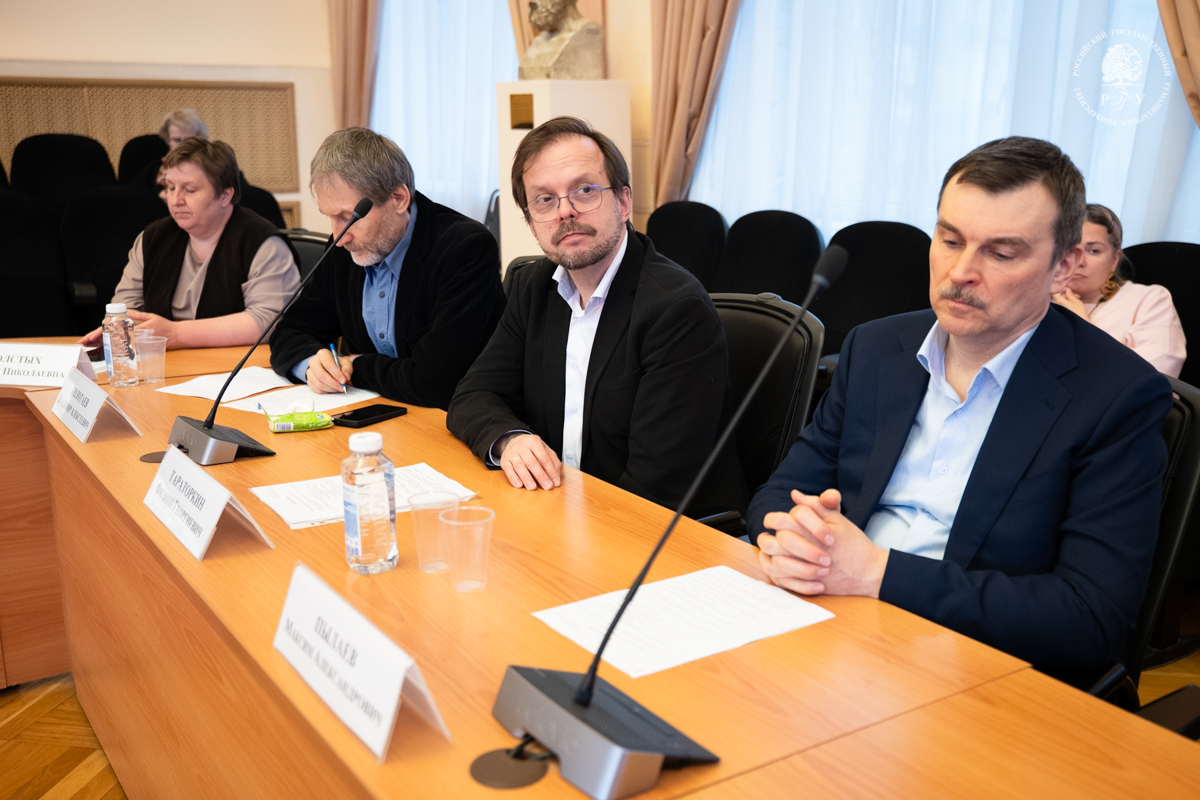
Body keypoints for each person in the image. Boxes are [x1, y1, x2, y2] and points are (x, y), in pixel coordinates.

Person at [748, 137, 1172, 676]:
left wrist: (876, 573)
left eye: (1001, 253)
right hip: (828, 621)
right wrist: (800, 541)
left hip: (973, 664)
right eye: (950, 240)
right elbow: (777, 495)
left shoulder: (1117, 395)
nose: (960, 272)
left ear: (1063, 267)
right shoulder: (875, 348)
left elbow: (1089, 618)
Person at [447, 116, 745, 514]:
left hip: (657, 531)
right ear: (532, 224)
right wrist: (511, 440)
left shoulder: (676, 309)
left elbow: (654, 489)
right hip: (560, 510)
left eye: (584, 191)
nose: (565, 211)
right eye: (544, 200)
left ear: (623, 203)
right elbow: (472, 396)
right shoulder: (532, 286)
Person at [268, 127, 505, 410]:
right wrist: (312, 365)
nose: (338, 237)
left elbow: (437, 382)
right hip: (381, 413)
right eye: (329, 217)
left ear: (398, 199)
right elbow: (290, 331)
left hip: (453, 417)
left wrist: (355, 366)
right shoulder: (343, 248)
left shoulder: (465, 248)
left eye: (347, 216)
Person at [78, 137, 300, 348]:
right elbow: (125, 310)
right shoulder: (151, 239)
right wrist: (119, 328)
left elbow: (267, 322)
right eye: (170, 187)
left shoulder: (263, 243)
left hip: (238, 366)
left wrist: (175, 334)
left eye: (189, 190)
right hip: (166, 362)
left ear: (225, 195)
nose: (176, 200)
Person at [1052, 203, 1186, 377]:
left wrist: (1084, 328)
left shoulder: (1150, 300)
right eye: (1070, 250)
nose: (1080, 261)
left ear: (1115, 259)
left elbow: (1151, 382)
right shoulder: (1041, 299)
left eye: (1093, 251)